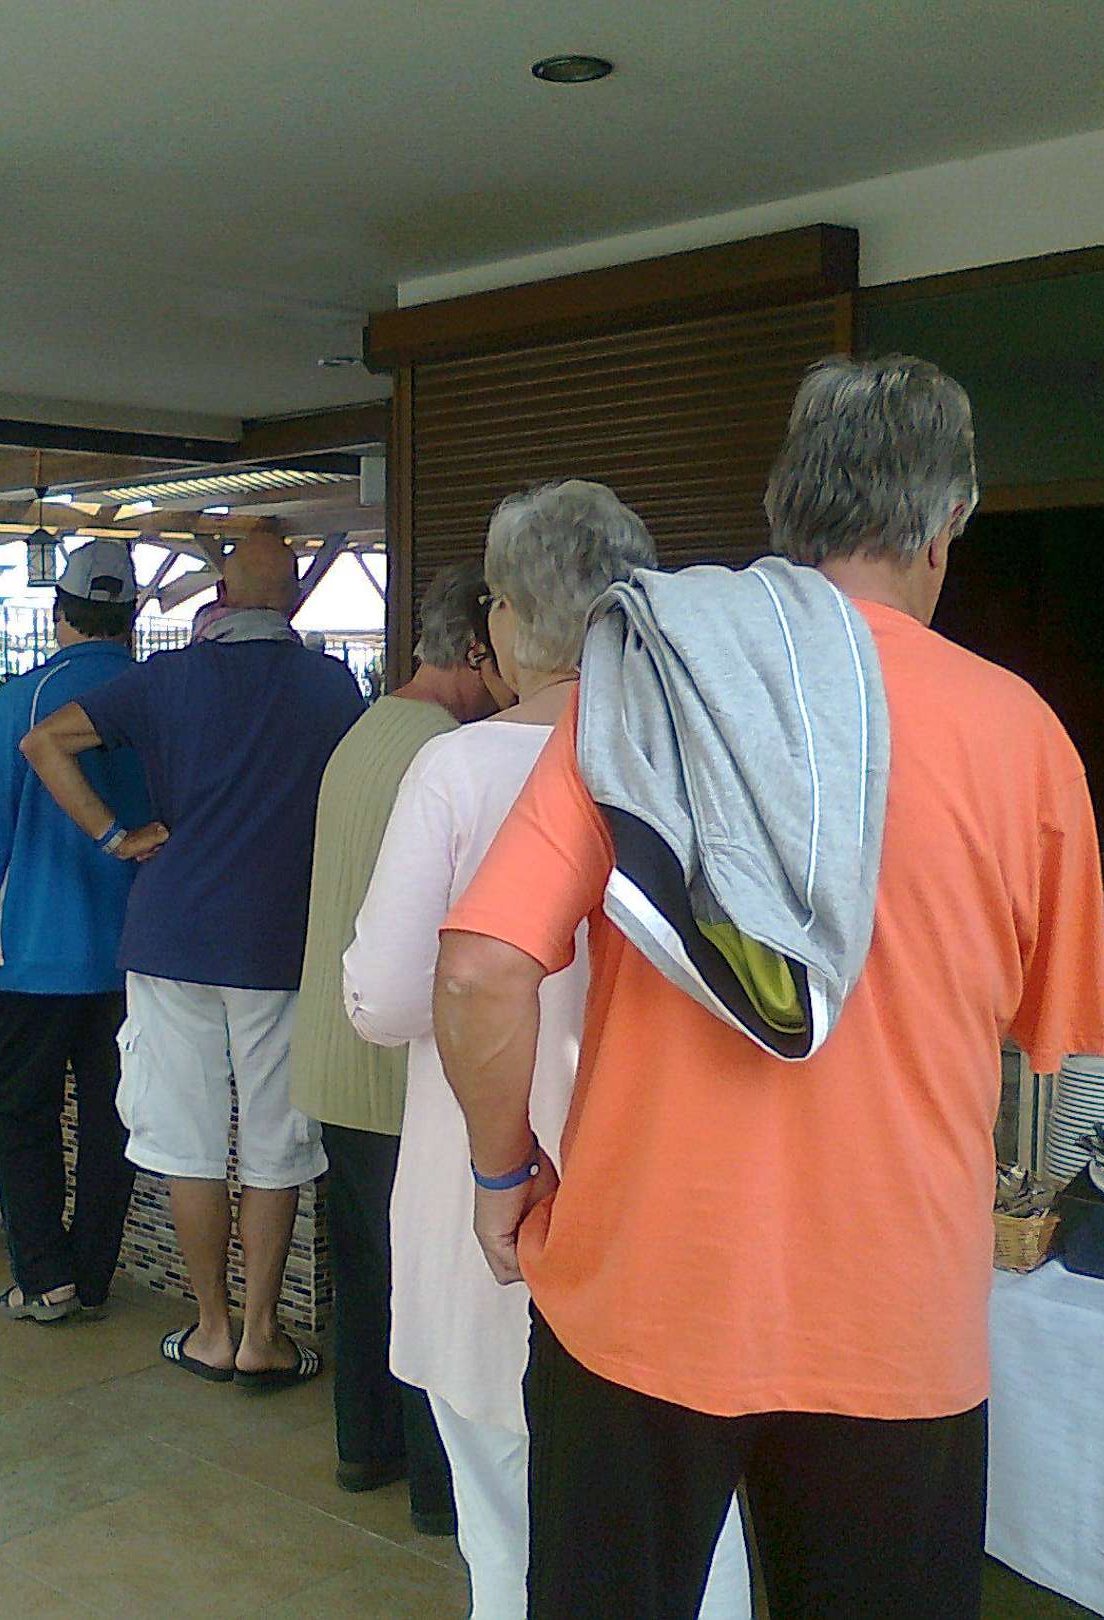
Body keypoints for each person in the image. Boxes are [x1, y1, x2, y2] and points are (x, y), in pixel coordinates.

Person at [434, 358, 1104, 1620]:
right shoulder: (1023, 736)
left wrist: (499, 1172)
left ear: (782, 507)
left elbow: (479, 968)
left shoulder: (648, 688)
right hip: (893, 1319)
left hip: (640, 1289)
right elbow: (1042, 1038)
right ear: (947, 521)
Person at [345, 481, 752, 1619]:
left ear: (515, 617)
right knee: (693, 1533)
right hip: (674, 1195)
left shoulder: (459, 767)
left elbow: (385, 996)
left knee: (511, 1535)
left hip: (499, 1189)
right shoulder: (707, 760)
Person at [21, 533, 364, 1388]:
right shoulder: (331, 687)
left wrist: (114, 836)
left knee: (189, 1144)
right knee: (278, 1144)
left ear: (222, 595)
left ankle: (210, 1328)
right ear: (292, 601)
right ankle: (262, 1336)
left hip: (170, 935)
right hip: (281, 942)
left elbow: (44, 743)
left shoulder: (165, 679)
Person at [290, 561, 498, 1530]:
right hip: (396, 1068)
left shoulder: (366, 731)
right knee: (425, 1283)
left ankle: (362, 1449)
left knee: (365, 1269)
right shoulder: (447, 754)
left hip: (334, 1055)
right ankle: (438, 1492)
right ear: (476, 648)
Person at [0, 540, 151, 1322]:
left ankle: (44, 1276)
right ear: (130, 617)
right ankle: (90, 1276)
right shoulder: (156, 699)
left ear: (60, 613)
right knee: (112, 1122)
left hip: (30, 954)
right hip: (136, 959)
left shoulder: (24, 701)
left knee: (22, 1117)